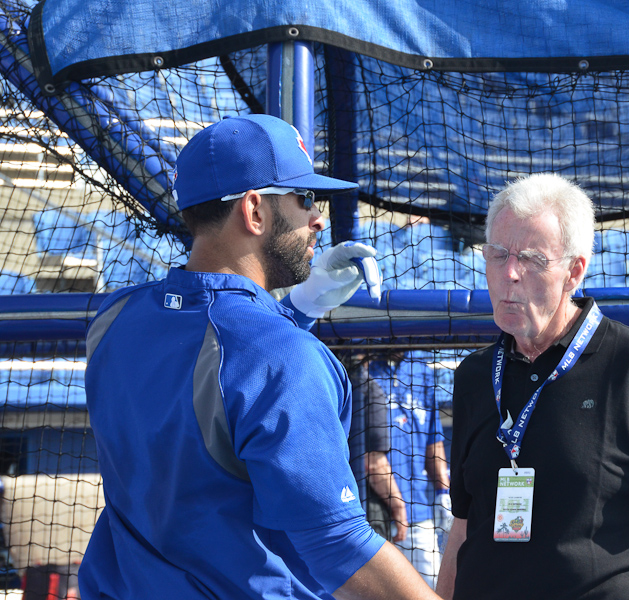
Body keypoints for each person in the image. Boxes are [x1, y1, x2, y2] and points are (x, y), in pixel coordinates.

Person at [80, 113, 441, 600]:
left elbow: (220, 362)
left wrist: (298, 309)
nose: (318, 219)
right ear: (254, 211)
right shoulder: (283, 356)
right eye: (305, 198)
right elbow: (337, 545)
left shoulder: (115, 317)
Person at [435, 173, 629, 600]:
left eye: (532, 260)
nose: (509, 273)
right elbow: (464, 525)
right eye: (497, 254)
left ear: (574, 271)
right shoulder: (475, 376)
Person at [370, 352, 452, 589]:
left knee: (434, 589)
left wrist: (443, 493)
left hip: (418, 509)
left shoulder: (420, 370)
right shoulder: (363, 366)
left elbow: (433, 441)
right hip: (371, 513)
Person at [345, 354, 410, 544]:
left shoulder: (320, 378)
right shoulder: (368, 389)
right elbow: (373, 463)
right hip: (361, 507)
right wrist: (398, 507)